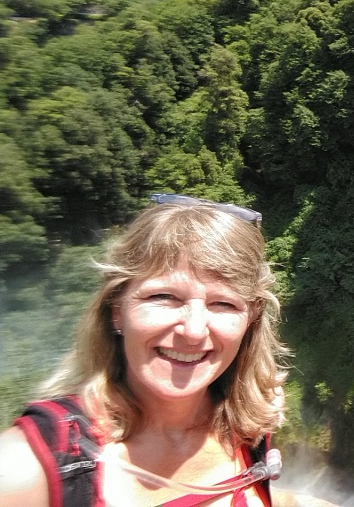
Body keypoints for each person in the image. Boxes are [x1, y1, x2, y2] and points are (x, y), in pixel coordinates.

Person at [0, 194, 291, 506]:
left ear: (251, 318)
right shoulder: (30, 467)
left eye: (223, 304)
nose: (193, 331)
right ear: (116, 309)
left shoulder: (249, 432)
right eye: (163, 297)